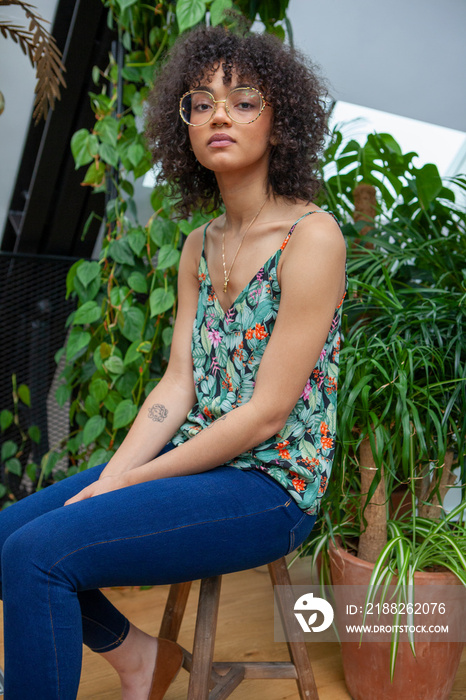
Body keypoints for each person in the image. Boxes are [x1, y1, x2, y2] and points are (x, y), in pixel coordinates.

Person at [0, 25, 346, 700]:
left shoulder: (314, 237)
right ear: (182, 127)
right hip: (198, 456)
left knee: (38, 556)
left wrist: (129, 483)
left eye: (245, 100)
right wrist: (118, 475)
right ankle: (137, 657)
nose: (220, 113)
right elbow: (177, 384)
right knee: (6, 539)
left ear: (282, 121)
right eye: (201, 101)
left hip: (269, 487)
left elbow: (264, 415)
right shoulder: (197, 245)